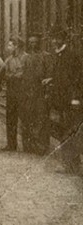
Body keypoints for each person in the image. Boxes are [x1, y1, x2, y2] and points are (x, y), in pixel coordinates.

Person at [46, 28, 82, 174]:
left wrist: (75, 98)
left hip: (70, 101)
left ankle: (72, 165)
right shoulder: (58, 55)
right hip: (60, 101)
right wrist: (52, 80)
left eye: (57, 39)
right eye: (53, 38)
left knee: (70, 132)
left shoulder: (71, 56)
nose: (54, 41)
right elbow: (61, 76)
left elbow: (77, 78)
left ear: (64, 40)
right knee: (63, 131)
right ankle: (69, 164)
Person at [21, 33, 53, 155]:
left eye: (35, 42)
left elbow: (49, 74)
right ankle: (31, 146)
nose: (33, 44)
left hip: (41, 92)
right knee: (30, 119)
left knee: (42, 120)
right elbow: (24, 76)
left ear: (40, 43)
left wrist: (47, 93)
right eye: (31, 42)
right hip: (29, 93)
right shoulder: (27, 58)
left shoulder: (46, 57)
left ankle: (42, 147)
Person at [0, 37, 28, 152]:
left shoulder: (26, 58)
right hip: (11, 92)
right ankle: (11, 145)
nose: (8, 48)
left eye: (10, 45)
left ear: (17, 46)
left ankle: (27, 145)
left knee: (24, 118)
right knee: (10, 118)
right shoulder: (9, 59)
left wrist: (10, 76)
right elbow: (2, 72)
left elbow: (22, 75)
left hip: (23, 93)